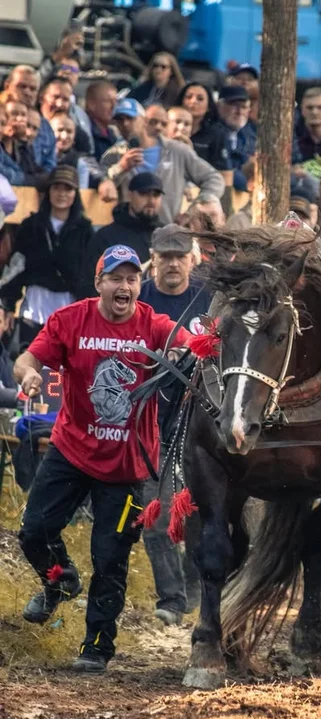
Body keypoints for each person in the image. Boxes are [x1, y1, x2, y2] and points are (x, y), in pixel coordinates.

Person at [14, 244, 191, 673]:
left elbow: (191, 344)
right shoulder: (70, 320)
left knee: (109, 558)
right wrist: (30, 374)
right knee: (34, 531)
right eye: (116, 278)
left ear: (138, 285)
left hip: (127, 466)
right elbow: (26, 358)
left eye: (132, 279)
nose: (125, 286)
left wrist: (181, 351)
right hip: (71, 450)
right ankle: (59, 581)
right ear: (99, 284)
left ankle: (96, 648)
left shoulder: (153, 323)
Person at [139, 224, 209, 624]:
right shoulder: (139, 299)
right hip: (151, 420)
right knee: (156, 514)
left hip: (199, 423)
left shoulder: (209, 298)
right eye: (165, 256)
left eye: (179, 255)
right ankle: (171, 601)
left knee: (201, 511)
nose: (172, 263)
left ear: (193, 259)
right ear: (153, 259)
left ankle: (196, 591)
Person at [0, 165, 95, 350]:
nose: (62, 193)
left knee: (63, 371)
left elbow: (89, 273)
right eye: (57, 187)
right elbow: (16, 267)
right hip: (34, 308)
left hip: (70, 309)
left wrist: (89, 313)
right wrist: (8, 305)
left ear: (75, 193)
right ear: (49, 191)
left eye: (68, 188)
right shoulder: (31, 226)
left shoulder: (85, 231)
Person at [101, 98, 225, 224]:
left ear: (144, 121)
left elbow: (214, 179)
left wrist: (193, 211)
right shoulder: (114, 155)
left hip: (168, 233)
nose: (125, 124)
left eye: (130, 118)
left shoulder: (176, 150)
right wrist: (121, 168)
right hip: (130, 233)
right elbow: (100, 180)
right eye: (119, 120)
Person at [87, 172, 164, 263]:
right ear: (130, 195)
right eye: (144, 194)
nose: (151, 201)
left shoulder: (166, 235)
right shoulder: (105, 238)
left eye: (156, 195)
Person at [4, 65, 56, 172]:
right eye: (21, 86)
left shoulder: (45, 126)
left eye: (33, 89)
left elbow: (49, 166)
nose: (27, 92)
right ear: (7, 86)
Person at [177, 83, 229, 172]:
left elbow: (221, 170)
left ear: (208, 107)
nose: (193, 101)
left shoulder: (216, 133)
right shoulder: (168, 126)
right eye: (188, 97)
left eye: (200, 99)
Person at [217, 85, 256, 192]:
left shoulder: (250, 136)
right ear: (219, 106)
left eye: (243, 107)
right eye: (234, 105)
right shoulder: (212, 133)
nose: (239, 112)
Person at [0, 99, 46, 185]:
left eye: (23, 115)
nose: (20, 119)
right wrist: (26, 180)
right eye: (14, 113)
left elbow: (33, 171)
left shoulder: (23, 148)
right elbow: (4, 175)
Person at [50, 113, 90, 188]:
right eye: (60, 130)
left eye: (69, 132)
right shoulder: (38, 159)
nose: (64, 136)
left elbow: (82, 194)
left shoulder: (80, 164)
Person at [84, 79, 119, 162]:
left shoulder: (112, 134)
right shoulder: (85, 134)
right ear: (91, 104)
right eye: (108, 101)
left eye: (116, 101)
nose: (114, 106)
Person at [294, 88, 321, 163]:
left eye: (320, 107)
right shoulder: (293, 136)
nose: (314, 112)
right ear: (302, 110)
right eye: (309, 108)